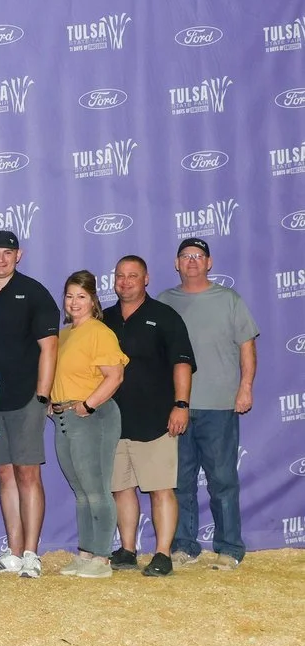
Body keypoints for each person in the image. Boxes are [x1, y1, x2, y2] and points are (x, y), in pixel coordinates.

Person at [157, 238, 259, 571]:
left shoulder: (229, 300)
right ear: (176, 263)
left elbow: (247, 348)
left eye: (198, 256)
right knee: (180, 481)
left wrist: (245, 388)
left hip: (219, 406)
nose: (192, 261)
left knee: (223, 480)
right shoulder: (164, 302)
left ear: (209, 263)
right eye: (185, 256)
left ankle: (229, 547)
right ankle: (185, 544)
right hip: (177, 408)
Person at [0, 231, 60, 579]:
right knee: (4, 473)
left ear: (19, 255)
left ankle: (33, 553)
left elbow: (50, 347)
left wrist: (43, 394)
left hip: (26, 398)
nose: (1, 259)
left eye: (8, 252)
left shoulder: (34, 293)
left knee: (28, 473)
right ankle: (14, 552)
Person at [105, 256, 196, 578]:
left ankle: (162, 553)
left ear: (146, 279)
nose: (125, 281)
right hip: (113, 422)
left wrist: (181, 404)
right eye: (120, 276)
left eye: (133, 276)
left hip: (157, 420)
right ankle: (128, 550)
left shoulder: (164, 316)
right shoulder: (104, 319)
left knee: (160, 490)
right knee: (121, 489)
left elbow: (182, 363)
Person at [50, 271, 128, 579]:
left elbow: (115, 375)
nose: (74, 302)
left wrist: (88, 404)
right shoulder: (66, 333)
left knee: (96, 488)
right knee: (81, 490)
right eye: (69, 296)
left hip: (92, 416)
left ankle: (102, 559)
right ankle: (86, 553)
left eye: (81, 296)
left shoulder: (99, 331)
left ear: (93, 300)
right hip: (65, 416)